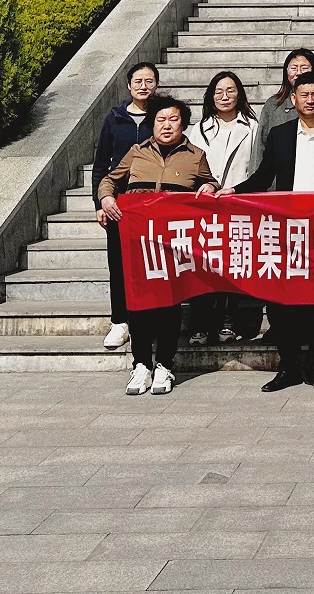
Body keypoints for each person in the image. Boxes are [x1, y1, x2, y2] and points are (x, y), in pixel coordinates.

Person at [241, 70, 314, 392]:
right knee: (281, 302)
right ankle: (289, 367)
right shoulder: (280, 135)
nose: (310, 100)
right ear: (293, 99)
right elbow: (263, 176)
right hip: (286, 228)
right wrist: (233, 191)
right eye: (304, 95)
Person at [96, 100, 219, 395]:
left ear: (183, 124)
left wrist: (210, 187)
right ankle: (141, 365)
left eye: (173, 119)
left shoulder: (195, 156)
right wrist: (106, 198)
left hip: (172, 243)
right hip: (138, 239)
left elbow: (210, 182)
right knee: (138, 304)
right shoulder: (137, 152)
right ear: (152, 124)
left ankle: (164, 364)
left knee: (169, 303)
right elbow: (109, 180)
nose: (166, 125)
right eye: (160, 119)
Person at [190, 70, 265, 345]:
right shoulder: (199, 129)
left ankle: (228, 322)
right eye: (219, 91)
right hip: (206, 206)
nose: (225, 96)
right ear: (211, 96)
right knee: (203, 266)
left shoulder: (253, 127)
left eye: (230, 90)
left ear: (239, 95)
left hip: (239, 205)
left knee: (234, 265)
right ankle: (200, 324)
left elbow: (256, 167)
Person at [94, 61, 161, 351]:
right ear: (128, 85)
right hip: (118, 204)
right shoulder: (114, 119)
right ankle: (120, 321)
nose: (143, 86)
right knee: (119, 264)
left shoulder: (161, 116)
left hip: (152, 203)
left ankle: (150, 319)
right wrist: (100, 201)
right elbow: (101, 165)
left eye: (149, 81)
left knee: (151, 263)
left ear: (156, 84)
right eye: (138, 81)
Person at [262, 48, 314, 141]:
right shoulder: (273, 104)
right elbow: (261, 142)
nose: (299, 73)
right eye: (294, 68)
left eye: (304, 68)